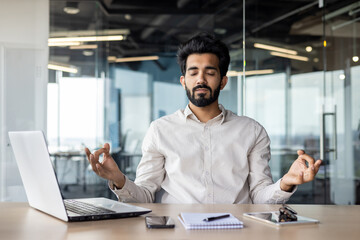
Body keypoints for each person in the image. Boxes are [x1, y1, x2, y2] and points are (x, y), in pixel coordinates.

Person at [85, 33, 322, 204]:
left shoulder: (252, 131)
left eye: (210, 72)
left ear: (223, 81)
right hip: (176, 229)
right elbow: (145, 195)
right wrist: (118, 179)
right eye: (193, 72)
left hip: (237, 230)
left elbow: (260, 196)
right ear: (183, 81)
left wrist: (287, 182)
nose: (201, 79)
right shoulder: (160, 130)